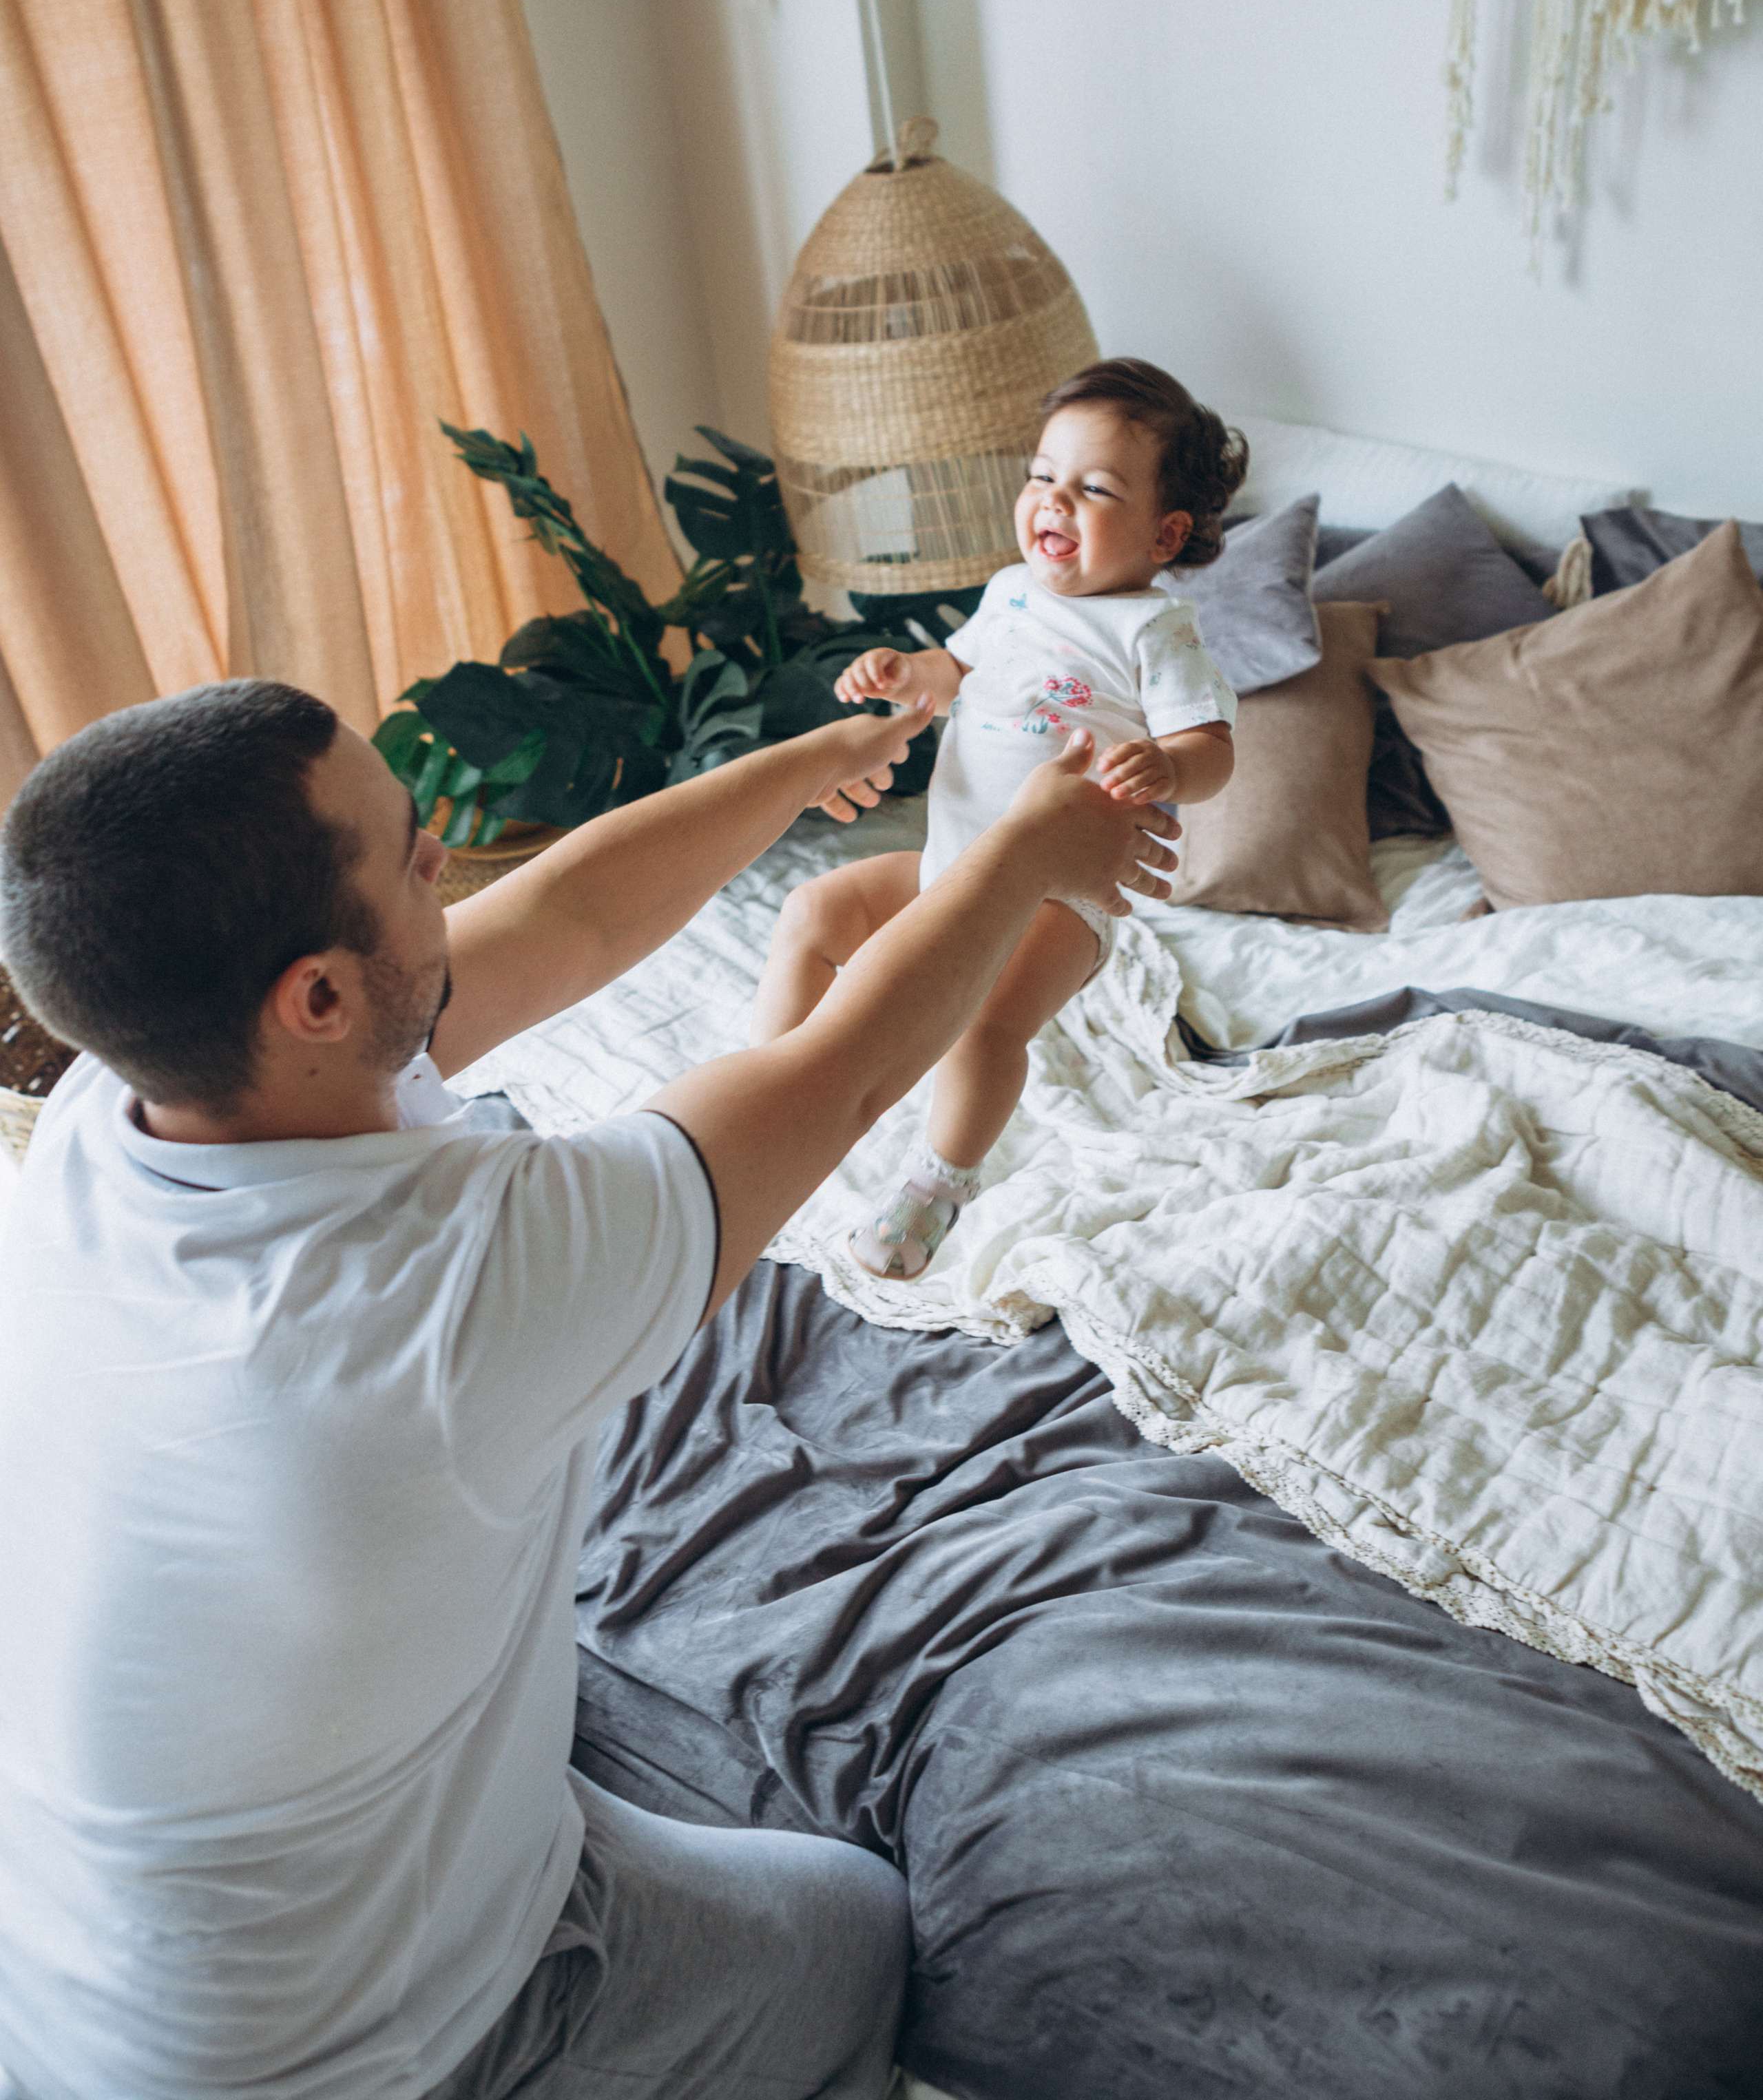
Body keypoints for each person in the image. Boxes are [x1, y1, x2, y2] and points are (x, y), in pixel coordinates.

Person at [0, 669, 1176, 2100]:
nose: (447, 856)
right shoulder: (453, 1297)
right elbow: (849, 1071)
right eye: (411, 852)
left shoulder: (111, 1115)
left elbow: (563, 914)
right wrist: (1025, 854)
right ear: (314, 997)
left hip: (83, 1974)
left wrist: (810, 762)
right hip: (337, 2056)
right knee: (851, 1925)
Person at [754, 359, 1244, 1279]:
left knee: (983, 1025)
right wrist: (905, 675)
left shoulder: (1152, 631)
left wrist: (1169, 763)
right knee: (812, 913)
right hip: (947, 865)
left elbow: (1214, 752)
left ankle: (936, 1188)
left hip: (1059, 898)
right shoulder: (1010, 591)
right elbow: (955, 673)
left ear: (1164, 533)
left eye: (1094, 489)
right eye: (1042, 475)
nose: (1054, 501)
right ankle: (766, 1095)